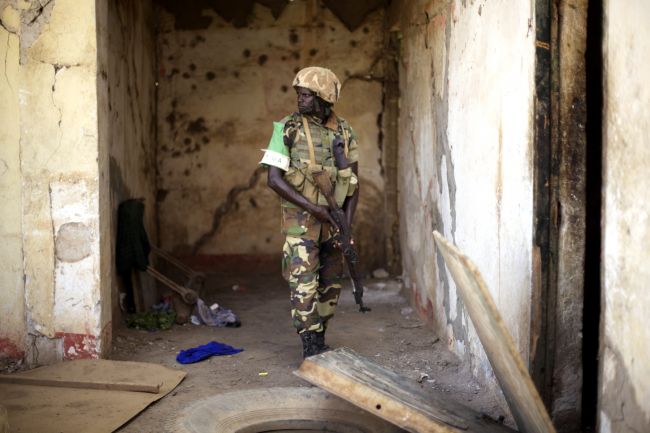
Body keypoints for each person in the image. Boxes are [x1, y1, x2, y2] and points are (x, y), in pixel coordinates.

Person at [259, 66, 360, 358]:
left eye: (306, 95)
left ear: (323, 97)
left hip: (334, 223)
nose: (299, 99)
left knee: (331, 285)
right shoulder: (287, 128)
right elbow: (273, 179)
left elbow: (355, 183)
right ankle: (310, 346)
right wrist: (314, 208)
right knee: (303, 284)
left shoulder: (344, 131)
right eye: (299, 94)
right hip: (301, 223)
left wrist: (346, 226)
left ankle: (320, 339)